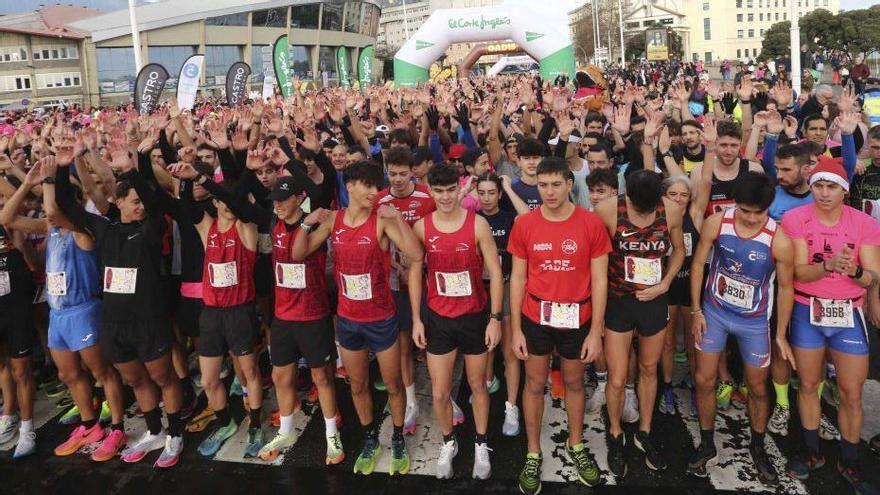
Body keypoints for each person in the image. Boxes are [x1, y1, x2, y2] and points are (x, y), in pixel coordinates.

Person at [55, 146, 185, 468]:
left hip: (149, 321)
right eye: (135, 201)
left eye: (142, 201)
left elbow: (154, 200)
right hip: (116, 324)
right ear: (119, 203)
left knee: (164, 378)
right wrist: (60, 168)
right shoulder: (105, 230)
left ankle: (176, 434)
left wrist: (133, 170)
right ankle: (154, 430)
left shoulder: (152, 228)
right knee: (136, 381)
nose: (141, 206)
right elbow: (67, 206)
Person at [292, 161, 423, 476]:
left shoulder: (381, 221)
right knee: (359, 383)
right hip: (349, 320)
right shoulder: (333, 220)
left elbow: (416, 254)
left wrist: (399, 221)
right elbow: (298, 254)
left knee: (392, 385)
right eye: (369, 186)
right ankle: (369, 439)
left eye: (378, 187)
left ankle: (396, 437)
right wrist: (307, 224)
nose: (375, 193)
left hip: (381, 318)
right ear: (350, 185)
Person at [0, 154, 128, 461]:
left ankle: (117, 429)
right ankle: (89, 425)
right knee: (70, 374)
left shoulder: (83, 232)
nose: (48, 208)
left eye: (54, 200)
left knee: (102, 372)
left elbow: (56, 211)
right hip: (59, 316)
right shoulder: (50, 230)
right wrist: (27, 184)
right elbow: (7, 219)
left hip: (84, 311)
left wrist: (48, 181)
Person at [780, 158, 880, 494]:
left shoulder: (864, 223)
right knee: (809, 385)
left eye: (831, 187)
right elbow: (797, 272)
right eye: (819, 186)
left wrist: (851, 272)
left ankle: (849, 458)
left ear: (844, 191)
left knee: (852, 393)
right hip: (808, 309)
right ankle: (812, 452)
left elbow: (871, 277)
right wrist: (829, 266)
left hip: (848, 314)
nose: (823, 193)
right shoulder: (796, 219)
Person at [509, 157, 608, 494]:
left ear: (569, 184)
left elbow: (599, 280)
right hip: (535, 318)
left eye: (555, 184)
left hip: (577, 318)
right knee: (534, 384)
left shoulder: (590, 224)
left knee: (574, 383)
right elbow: (517, 277)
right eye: (542, 185)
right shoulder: (525, 224)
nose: (549, 192)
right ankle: (533, 452)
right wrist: (516, 329)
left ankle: (576, 444)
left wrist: (596, 331)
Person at [687, 172, 794, 484]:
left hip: (753, 321)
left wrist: (780, 333)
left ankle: (757, 446)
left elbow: (786, 288)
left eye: (756, 213)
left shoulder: (779, 239)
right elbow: (698, 264)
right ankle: (707, 444)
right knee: (704, 379)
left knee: (758, 387)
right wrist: (696, 311)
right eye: (743, 210)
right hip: (715, 313)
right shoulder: (718, 222)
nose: (748, 218)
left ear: (768, 209)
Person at [408, 163, 503, 479]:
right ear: (431, 191)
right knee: (439, 391)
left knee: (478, 385)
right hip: (439, 319)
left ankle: (480, 442)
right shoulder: (422, 227)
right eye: (440, 191)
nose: (446, 197)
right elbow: (414, 272)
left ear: (459, 190)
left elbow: (497, 273)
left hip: (474, 317)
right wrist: (417, 320)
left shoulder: (477, 226)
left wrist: (495, 319)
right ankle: (448, 442)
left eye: (451, 190)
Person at [169, 160, 267, 459]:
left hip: (240, 311)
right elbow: (186, 208)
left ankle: (255, 425)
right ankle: (225, 422)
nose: (227, 205)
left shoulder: (246, 227)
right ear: (214, 202)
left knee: (249, 372)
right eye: (221, 201)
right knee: (210, 379)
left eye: (230, 201)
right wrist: (186, 181)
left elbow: (236, 202)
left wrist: (210, 179)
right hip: (211, 313)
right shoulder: (208, 227)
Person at [595, 169, 685, 476]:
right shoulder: (608, 209)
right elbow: (598, 258)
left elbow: (680, 250)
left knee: (649, 368)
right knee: (618, 377)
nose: (644, 215)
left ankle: (644, 431)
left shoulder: (671, 209)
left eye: (649, 210)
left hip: (654, 299)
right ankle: (616, 431)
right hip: (619, 300)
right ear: (626, 196)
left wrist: (666, 283)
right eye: (638, 209)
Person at [374, 147, 436, 436]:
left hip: (427, 280)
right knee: (402, 343)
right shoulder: (380, 201)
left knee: (433, 341)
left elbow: (437, 232)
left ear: (413, 171)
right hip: (394, 283)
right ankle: (411, 400)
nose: (397, 179)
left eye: (403, 173)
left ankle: (441, 395)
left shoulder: (426, 196)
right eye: (392, 173)